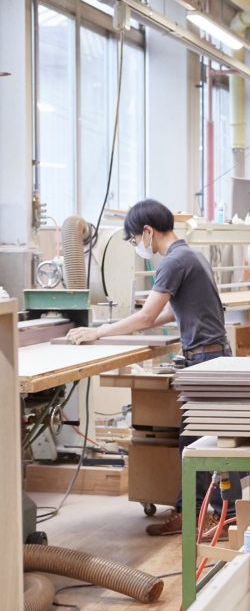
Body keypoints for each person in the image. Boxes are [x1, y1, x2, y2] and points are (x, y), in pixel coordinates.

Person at [67, 199, 239, 536]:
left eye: (134, 240)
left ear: (148, 232)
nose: (137, 246)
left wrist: (100, 330)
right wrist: (135, 326)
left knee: (195, 445)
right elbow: (172, 312)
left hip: (206, 362)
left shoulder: (172, 262)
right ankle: (220, 515)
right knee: (210, 441)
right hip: (213, 357)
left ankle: (201, 518)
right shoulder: (191, 255)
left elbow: (147, 314)